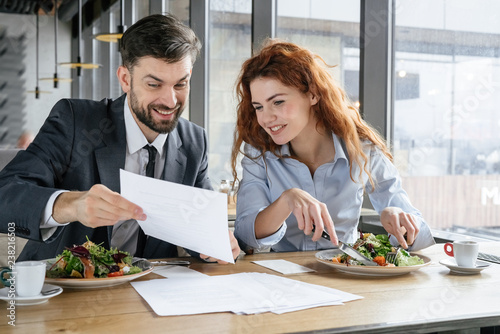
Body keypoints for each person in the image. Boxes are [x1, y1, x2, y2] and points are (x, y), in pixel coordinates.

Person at [0, 14, 240, 264]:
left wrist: (214, 242)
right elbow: (5, 194)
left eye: (181, 84)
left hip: (149, 291)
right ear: (126, 79)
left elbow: (196, 225)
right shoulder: (76, 121)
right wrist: (72, 204)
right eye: (154, 85)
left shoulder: (194, 141)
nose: (170, 101)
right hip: (62, 286)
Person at [230, 40, 435, 253]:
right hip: (280, 279)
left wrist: (397, 218)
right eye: (259, 107)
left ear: (313, 94)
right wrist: (286, 201)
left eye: (278, 102)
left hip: (343, 274)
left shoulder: (361, 149)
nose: (267, 118)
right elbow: (245, 237)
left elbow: (419, 237)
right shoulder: (259, 153)